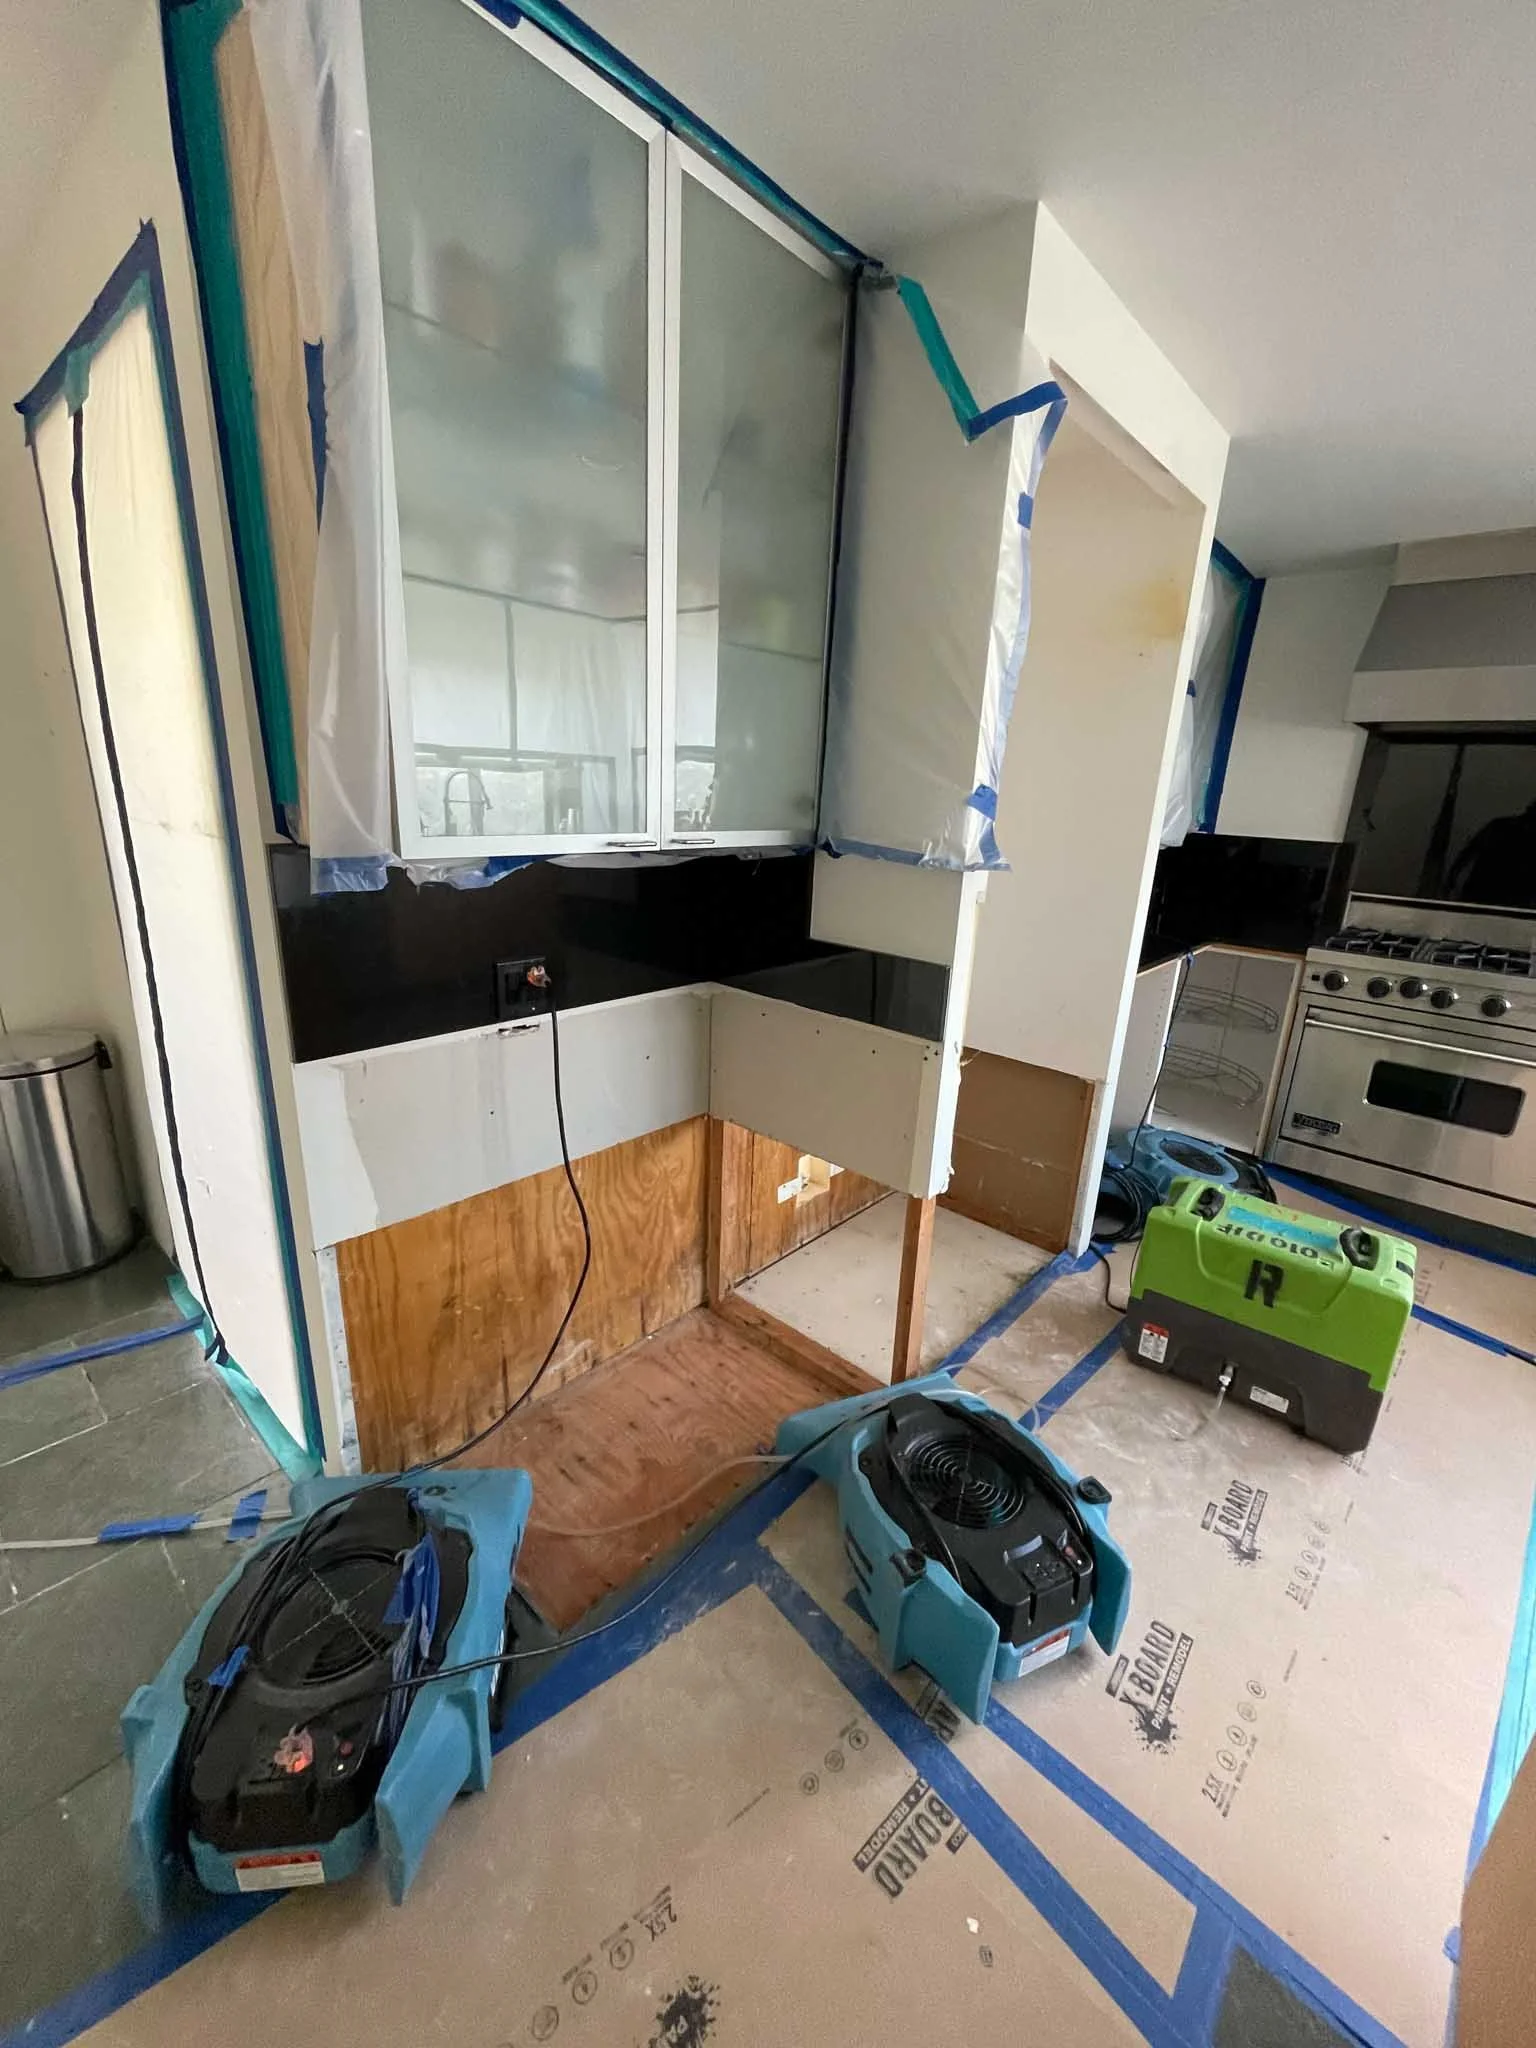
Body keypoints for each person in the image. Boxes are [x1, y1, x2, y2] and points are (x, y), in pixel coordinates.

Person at [1446, 798, 1536, 909]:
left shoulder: (1499, 826)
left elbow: (1466, 855)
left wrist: (1452, 877)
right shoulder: (1500, 827)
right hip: (1482, 902)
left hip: (1507, 909)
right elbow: (1467, 855)